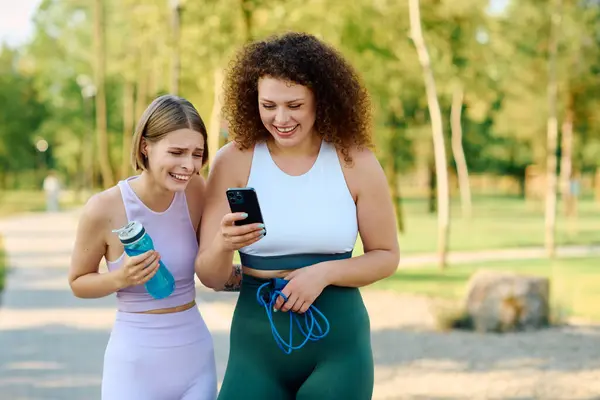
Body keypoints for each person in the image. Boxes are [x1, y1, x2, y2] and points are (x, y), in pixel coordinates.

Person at [196, 32, 400, 399]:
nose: (281, 118)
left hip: (338, 351)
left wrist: (323, 274)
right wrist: (223, 244)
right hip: (255, 351)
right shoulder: (233, 159)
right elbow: (211, 276)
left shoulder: (356, 161)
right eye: (268, 105)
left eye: (294, 105)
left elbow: (386, 256)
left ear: (321, 100)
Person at [68, 95, 224, 400]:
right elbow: (77, 282)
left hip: (195, 360)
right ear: (145, 147)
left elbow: (212, 265)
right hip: (134, 367)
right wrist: (121, 278)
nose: (189, 165)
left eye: (197, 153)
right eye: (177, 152)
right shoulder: (103, 207)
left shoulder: (195, 190)